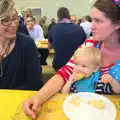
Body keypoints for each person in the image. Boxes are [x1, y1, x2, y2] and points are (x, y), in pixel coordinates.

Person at [23, 0, 120, 119]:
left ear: (117, 24)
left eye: (98, 21)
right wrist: (38, 98)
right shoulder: (91, 43)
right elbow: (65, 73)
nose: (91, 26)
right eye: (92, 19)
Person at [0, 0, 43, 90]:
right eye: (6, 20)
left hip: (19, 100)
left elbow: (35, 83)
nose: (14, 24)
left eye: (15, 18)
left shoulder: (27, 44)